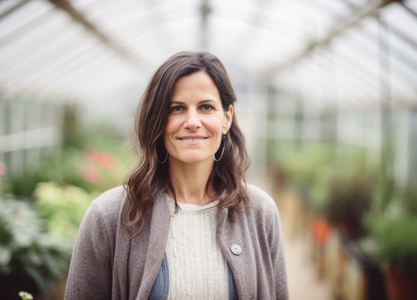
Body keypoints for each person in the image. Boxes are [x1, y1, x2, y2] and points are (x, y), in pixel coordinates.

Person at [64, 51, 289, 299]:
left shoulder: (260, 212)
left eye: (206, 107)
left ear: (226, 118)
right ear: (157, 120)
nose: (192, 121)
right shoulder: (107, 217)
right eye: (176, 108)